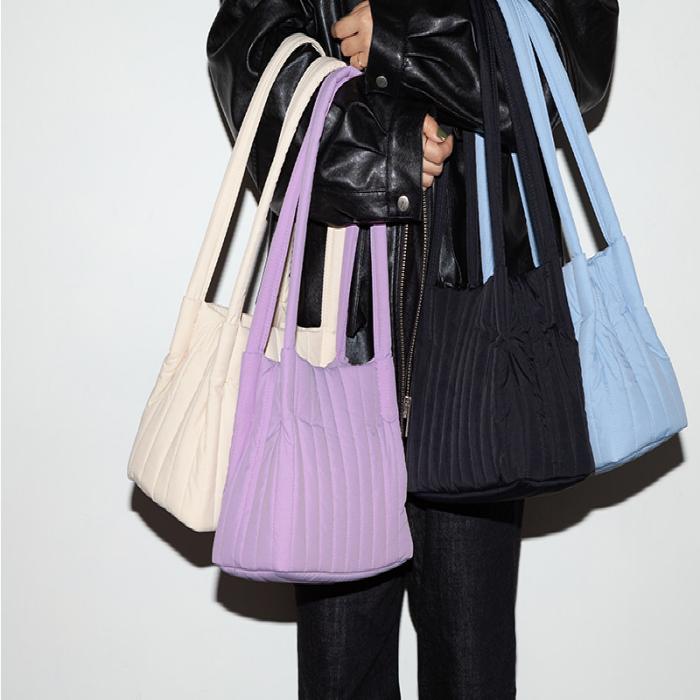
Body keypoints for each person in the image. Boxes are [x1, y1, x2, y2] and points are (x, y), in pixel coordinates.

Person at [207, 1, 619, 696]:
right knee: (343, 673)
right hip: (338, 331)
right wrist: (383, 149)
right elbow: (250, 60)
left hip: (479, 341)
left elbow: (575, 59)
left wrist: (406, 33)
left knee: (472, 665)